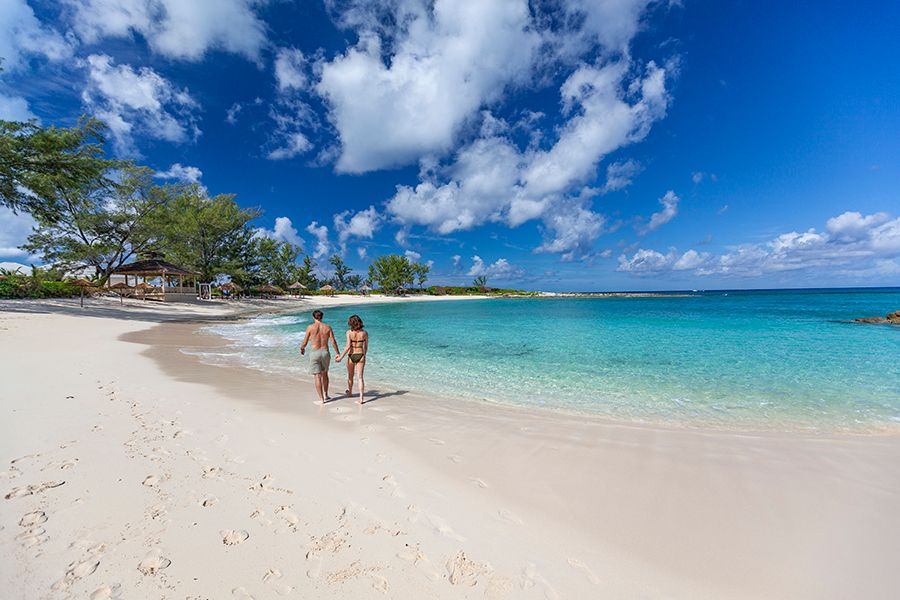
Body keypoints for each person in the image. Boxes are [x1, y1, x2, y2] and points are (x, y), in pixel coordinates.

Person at [300, 309, 340, 404]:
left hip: (315, 352)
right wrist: (337, 353)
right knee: (325, 374)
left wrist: (302, 348)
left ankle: (321, 399)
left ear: (313, 317)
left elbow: (305, 342)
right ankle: (326, 395)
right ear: (322, 317)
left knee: (317, 376)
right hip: (325, 352)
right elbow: (333, 341)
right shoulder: (327, 327)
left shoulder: (310, 327)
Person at [335, 314, 368, 405]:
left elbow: (347, 347)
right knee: (360, 377)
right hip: (360, 355)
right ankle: (361, 398)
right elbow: (366, 347)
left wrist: (340, 357)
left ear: (351, 323)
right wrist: (364, 355)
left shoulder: (349, 333)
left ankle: (350, 392)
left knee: (350, 376)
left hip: (351, 355)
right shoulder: (364, 333)